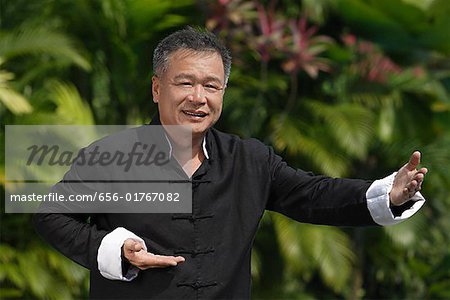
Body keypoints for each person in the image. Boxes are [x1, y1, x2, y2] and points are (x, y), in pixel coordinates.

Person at [34, 27, 428, 299]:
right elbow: (51, 216)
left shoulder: (250, 159)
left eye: (211, 86)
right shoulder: (110, 156)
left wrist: (388, 193)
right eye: (185, 83)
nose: (198, 97)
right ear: (157, 88)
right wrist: (113, 248)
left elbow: (312, 195)